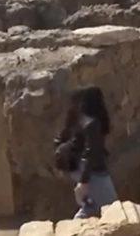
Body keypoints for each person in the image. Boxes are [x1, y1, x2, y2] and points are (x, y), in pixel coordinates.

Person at [54, 87, 117, 219]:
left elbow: (61, 138)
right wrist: (84, 182)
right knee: (110, 208)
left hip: (79, 169)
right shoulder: (92, 124)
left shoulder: (80, 118)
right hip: (91, 173)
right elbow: (91, 153)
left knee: (91, 204)